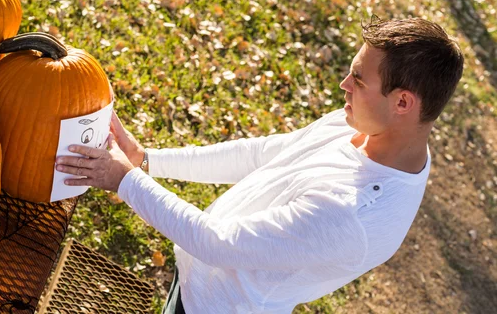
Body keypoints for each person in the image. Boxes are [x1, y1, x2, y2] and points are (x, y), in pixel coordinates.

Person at [56, 17, 464, 313]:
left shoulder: (351, 213)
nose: (343, 85)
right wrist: (146, 161)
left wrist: (124, 180)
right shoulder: (361, 125)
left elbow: (217, 243)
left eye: (358, 79)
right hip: (196, 280)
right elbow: (265, 155)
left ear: (403, 103)